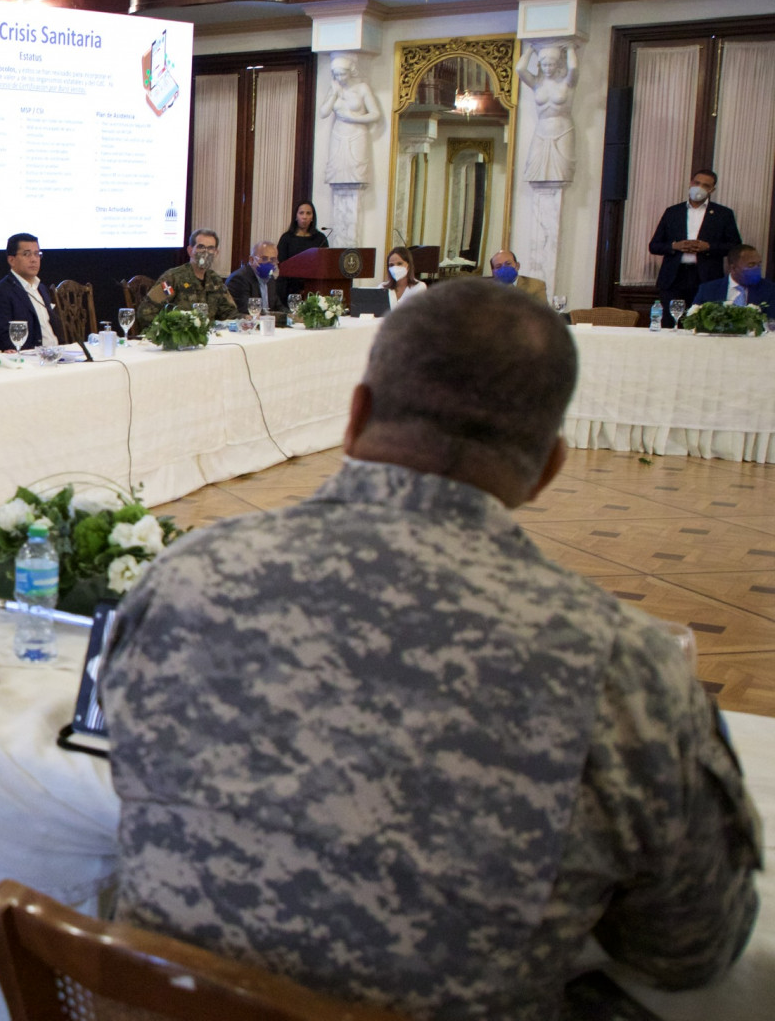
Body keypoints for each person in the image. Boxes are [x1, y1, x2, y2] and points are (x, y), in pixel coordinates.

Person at [100, 279, 761, 1019]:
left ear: (356, 417)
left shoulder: (186, 576)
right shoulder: (625, 672)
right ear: (548, 468)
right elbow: (689, 951)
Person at [647, 169, 741, 303]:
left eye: (705, 185)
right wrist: (675, 246)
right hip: (674, 278)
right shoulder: (673, 212)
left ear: (712, 190)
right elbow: (654, 246)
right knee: (672, 315)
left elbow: (735, 246)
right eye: (697, 183)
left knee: (702, 315)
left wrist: (708, 247)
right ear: (691, 183)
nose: (699, 188)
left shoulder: (723, 214)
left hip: (706, 277)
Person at [137, 229, 238, 335]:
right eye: (201, 247)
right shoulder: (173, 278)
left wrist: (245, 318)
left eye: (210, 248)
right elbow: (146, 312)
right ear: (190, 251)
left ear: (216, 253)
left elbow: (229, 313)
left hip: (208, 338)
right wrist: (170, 331)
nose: (205, 252)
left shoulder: (215, 280)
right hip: (178, 338)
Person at [0, 232, 60, 351]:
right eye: (26, 254)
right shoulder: (1, 292)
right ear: (11, 260)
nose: (34, 259)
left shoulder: (41, 288)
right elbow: (0, 339)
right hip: (29, 357)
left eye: (37, 254)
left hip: (56, 354)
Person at [692, 244, 772, 317]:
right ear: (733, 268)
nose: (757, 269)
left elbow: (771, 322)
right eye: (751, 265)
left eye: (759, 264)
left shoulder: (769, 290)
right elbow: (694, 319)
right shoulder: (708, 290)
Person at [277, 201, 326, 306]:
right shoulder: (287, 238)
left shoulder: (320, 238)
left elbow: (324, 263)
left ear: (312, 217)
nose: (304, 217)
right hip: (289, 286)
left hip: (313, 286)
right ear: (296, 216)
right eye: (301, 213)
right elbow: (281, 263)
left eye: (308, 213)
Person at [224, 241, 281, 320]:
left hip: (267, 324)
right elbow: (245, 311)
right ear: (251, 260)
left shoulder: (270, 279)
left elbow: (278, 306)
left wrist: (290, 316)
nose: (269, 263)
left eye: (272, 260)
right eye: (264, 259)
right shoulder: (239, 279)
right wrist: (271, 317)